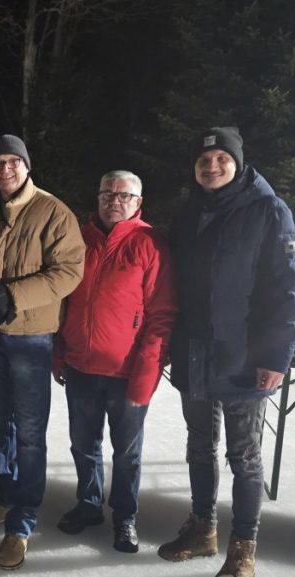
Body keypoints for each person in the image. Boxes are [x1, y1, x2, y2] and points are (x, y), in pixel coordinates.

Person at [158, 127, 295, 577]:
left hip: (245, 356)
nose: (212, 166)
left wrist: (276, 357)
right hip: (194, 352)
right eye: (204, 160)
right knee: (199, 446)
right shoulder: (189, 213)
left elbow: (290, 290)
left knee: (243, 455)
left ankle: (243, 547)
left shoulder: (268, 210)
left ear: (238, 164)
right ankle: (202, 529)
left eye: (222, 158)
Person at [0, 134, 85, 570]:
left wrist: (13, 295)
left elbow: (69, 271)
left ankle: (22, 522)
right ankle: (5, 495)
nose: (5, 170)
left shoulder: (53, 211)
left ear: (27, 166)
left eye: (13, 162)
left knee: (29, 432)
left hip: (31, 336)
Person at [52, 170, 177, 554]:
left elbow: (161, 314)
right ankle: (88, 504)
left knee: (127, 453)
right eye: (107, 193)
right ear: (98, 197)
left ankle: (124, 516)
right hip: (81, 366)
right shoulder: (78, 238)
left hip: (128, 371)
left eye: (124, 195)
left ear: (138, 202)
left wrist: (148, 371)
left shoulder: (149, 243)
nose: (114, 201)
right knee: (83, 445)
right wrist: (60, 351)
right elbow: (60, 299)